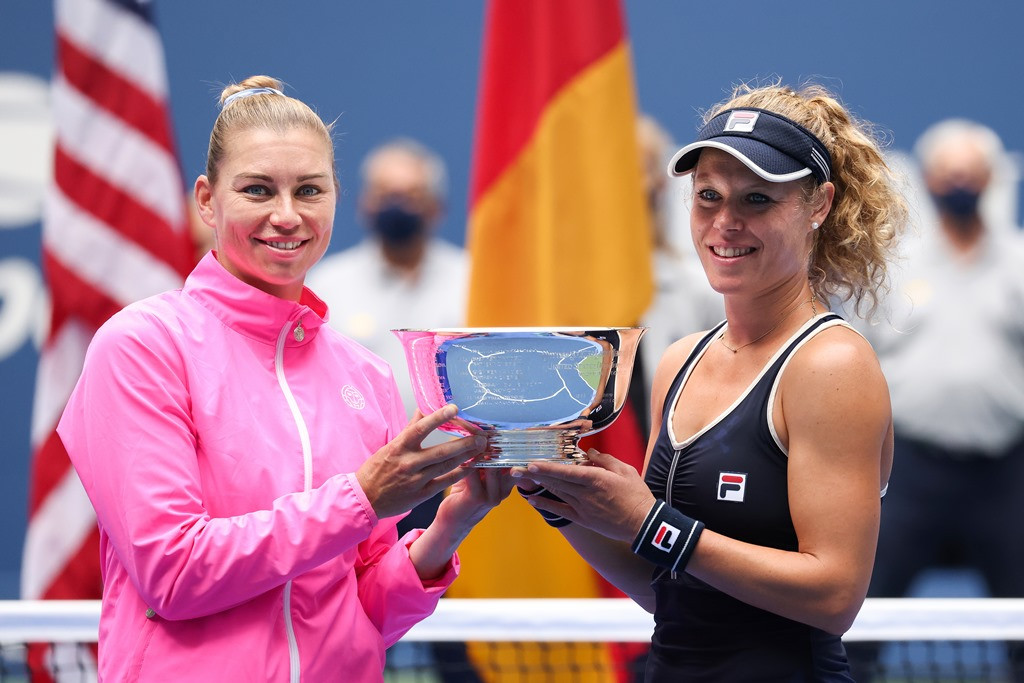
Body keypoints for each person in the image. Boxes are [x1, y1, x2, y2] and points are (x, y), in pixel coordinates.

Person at [56, 75, 512, 682]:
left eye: (309, 190)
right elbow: (174, 573)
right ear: (207, 201)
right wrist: (361, 499)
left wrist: (450, 525)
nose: (287, 215)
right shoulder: (142, 345)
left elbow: (364, 613)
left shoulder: (365, 373)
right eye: (257, 189)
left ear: (335, 200)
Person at [511, 81, 906, 680]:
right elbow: (668, 588)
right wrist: (560, 501)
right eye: (708, 197)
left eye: (757, 199)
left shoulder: (831, 366)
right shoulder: (680, 361)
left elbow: (833, 598)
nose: (725, 223)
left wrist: (649, 523)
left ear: (818, 206)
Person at [847, 119, 1024, 680]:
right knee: (859, 621)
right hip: (909, 472)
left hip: (1005, 474)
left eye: (971, 172)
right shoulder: (894, 267)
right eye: (949, 172)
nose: (960, 182)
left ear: (992, 178)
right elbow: (856, 357)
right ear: (927, 179)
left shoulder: (1019, 263)